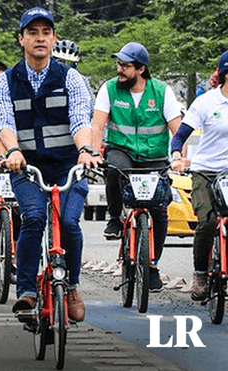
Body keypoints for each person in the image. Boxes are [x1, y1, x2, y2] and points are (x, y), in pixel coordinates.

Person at [0, 7, 97, 322]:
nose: (40, 38)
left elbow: (80, 119)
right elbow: (4, 122)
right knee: (34, 219)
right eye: (33, 33)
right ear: (21, 39)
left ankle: (73, 286)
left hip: (69, 166)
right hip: (27, 169)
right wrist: (13, 151)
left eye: (46, 33)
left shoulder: (72, 78)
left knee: (68, 223)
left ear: (54, 39)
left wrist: (86, 150)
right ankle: (26, 291)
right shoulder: (5, 82)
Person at [91, 42, 183, 292]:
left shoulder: (162, 92)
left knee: (160, 210)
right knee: (112, 168)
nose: (119, 69)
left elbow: (178, 131)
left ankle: (152, 265)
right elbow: (97, 126)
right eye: (119, 64)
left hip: (154, 157)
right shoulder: (109, 89)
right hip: (122, 151)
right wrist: (91, 152)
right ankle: (114, 217)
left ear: (141, 69)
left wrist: (179, 157)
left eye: (126, 65)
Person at [170, 51, 228, 300]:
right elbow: (181, 134)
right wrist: (175, 155)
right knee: (206, 222)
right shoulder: (206, 102)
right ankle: (201, 275)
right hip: (205, 171)